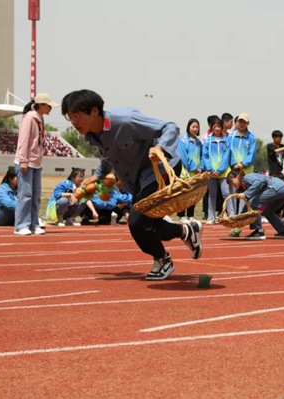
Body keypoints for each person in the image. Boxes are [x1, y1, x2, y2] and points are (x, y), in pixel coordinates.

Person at [61, 89, 202, 281]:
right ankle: (186, 231)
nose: (73, 122)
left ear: (94, 111)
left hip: (160, 169)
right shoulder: (94, 135)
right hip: (139, 179)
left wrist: (159, 147)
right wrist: (98, 176)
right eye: (69, 117)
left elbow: (170, 127)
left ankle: (163, 260)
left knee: (136, 221)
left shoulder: (126, 121)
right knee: (148, 223)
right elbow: (108, 156)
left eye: (76, 116)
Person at [14, 92, 58, 236]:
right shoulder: (29, 118)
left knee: (36, 196)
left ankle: (34, 224)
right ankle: (21, 225)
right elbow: (23, 140)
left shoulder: (39, 118)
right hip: (27, 162)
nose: (51, 108)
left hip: (36, 162)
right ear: (41, 105)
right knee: (25, 195)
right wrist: (23, 161)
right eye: (49, 106)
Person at [226, 171, 284, 240]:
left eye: (231, 181)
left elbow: (260, 181)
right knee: (267, 212)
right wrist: (238, 222)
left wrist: (246, 194)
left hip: (275, 188)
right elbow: (247, 207)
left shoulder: (246, 177)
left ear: (237, 176)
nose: (232, 185)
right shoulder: (247, 186)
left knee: (252, 202)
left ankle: (258, 231)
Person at [177, 118, 203, 223]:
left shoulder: (199, 142)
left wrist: (200, 167)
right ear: (188, 127)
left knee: (193, 195)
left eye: (197, 127)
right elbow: (183, 157)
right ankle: (181, 215)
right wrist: (193, 168)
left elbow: (202, 156)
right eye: (193, 127)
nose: (195, 129)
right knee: (184, 195)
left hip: (196, 174)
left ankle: (190, 215)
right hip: (185, 173)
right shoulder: (183, 141)